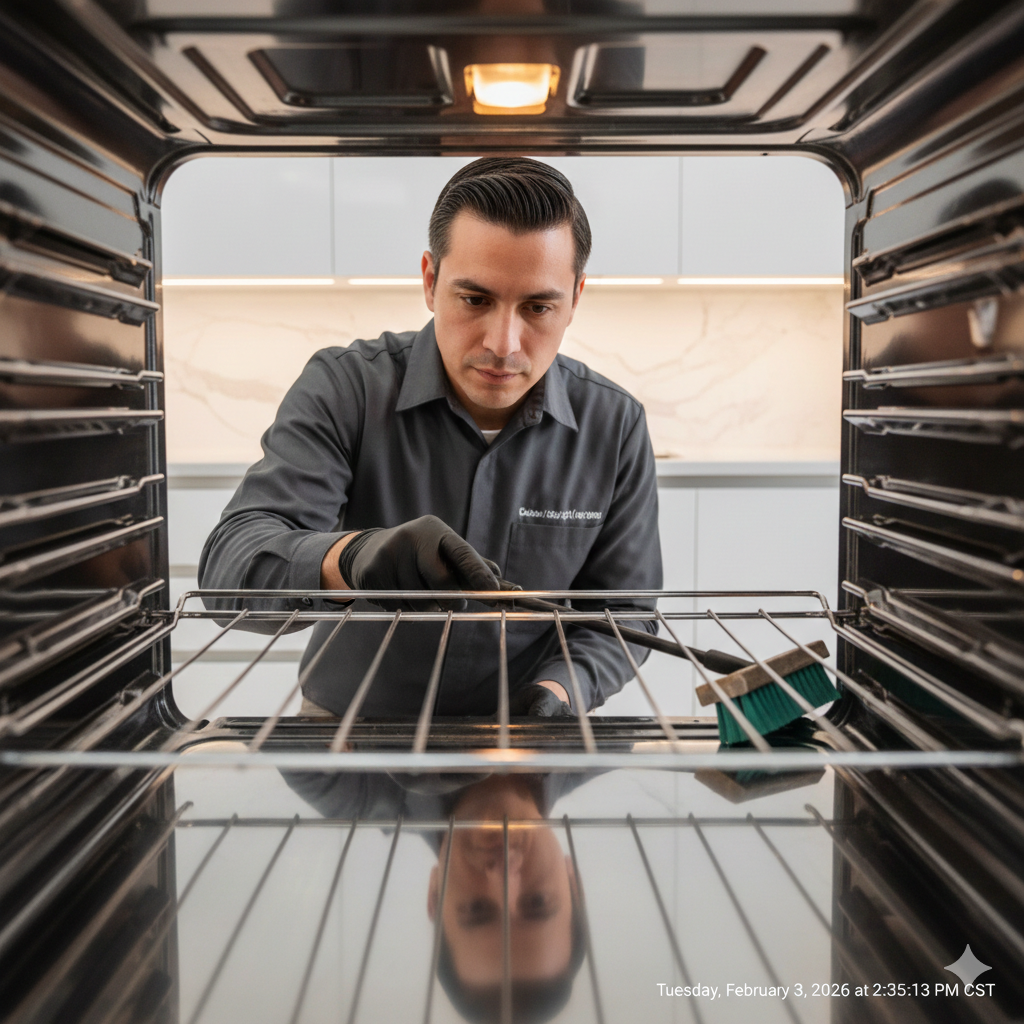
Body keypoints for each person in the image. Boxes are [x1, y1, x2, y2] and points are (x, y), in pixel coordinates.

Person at [199, 156, 662, 718]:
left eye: (538, 307)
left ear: (576, 299)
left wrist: (557, 696)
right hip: (347, 747)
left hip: (528, 752)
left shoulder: (615, 425)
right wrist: (351, 558)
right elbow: (228, 569)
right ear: (429, 280)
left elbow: (626, 613)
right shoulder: (346, 388)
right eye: (475, 300)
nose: (503, 343)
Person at [283, 769, 591, 1023]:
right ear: (573, 883)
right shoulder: (609, 747)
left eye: (476, 909)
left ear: (434, 894)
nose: (503, 872)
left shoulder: (347, 788)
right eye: (537, 903)